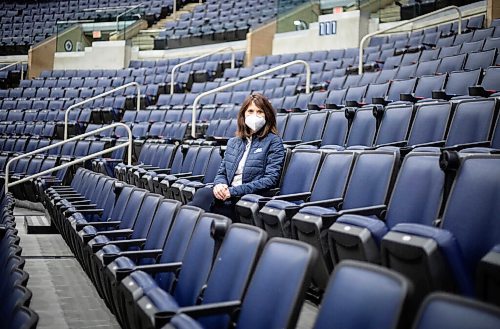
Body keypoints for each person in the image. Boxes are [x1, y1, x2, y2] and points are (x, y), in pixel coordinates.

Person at [189, 93, 285, 220]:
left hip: (246, 200)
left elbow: (270, 180)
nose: (254, 115)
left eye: (260, 111)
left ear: (267, 115)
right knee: (202, 195)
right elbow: (222, 173)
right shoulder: (233, 142)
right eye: (250, 111)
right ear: (243, 115)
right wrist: (219, 185)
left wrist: (233, 191)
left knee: (200, 206)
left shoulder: (273, 141)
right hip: (227, 196)